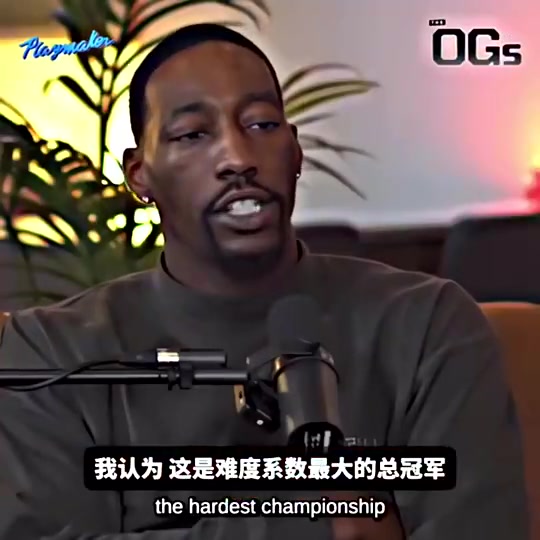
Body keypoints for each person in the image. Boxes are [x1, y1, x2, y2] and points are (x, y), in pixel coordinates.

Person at [0, 23, 529, 540]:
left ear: (295, 151)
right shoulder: (50, 355)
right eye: (193, 134)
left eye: (260, 125)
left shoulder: (428, 324)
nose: (237, 158)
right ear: (140, 174)